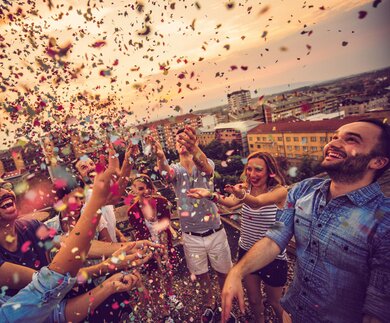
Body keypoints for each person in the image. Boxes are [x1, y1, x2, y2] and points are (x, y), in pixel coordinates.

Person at [221, 119, 390, 323]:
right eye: (335, 137)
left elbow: (378, 309)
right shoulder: (303, 190)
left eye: (351, 140)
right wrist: (237, 271)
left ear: (378, 162)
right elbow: (274, 237)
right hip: (292, 314)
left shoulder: (384, 221)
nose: (333, 143)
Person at [0, 163, 161, 322]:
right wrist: (108, 266)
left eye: (4, 185)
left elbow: (72, 245)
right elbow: (50, 283)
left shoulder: (30, 227)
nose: (4, 192)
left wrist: (127, 247)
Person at [187, 151, 288, 322]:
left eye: (258, 170)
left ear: (269, 171)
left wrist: (241, 194)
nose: (252, 174)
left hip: (272, 257)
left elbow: (257, 203)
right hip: (247, 253)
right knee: (255, 302)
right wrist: (210, 195)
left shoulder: (279, 191)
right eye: (249, 169)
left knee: (276, 303)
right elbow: (230, 202)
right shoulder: (245, 187)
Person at [149, 126, 236, 322]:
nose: (182, 142)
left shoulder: (206, 163)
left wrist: (194, 148)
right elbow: (165, 173)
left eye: (187, 138)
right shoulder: (176, 170)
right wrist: (160, 157)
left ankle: (225, 306)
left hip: (215, 231)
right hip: (191, 236)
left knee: (223, 272)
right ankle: (209, 304)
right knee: (202, 274)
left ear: (195, 141)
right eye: (179, 140)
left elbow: (205, 165)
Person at [127, 174, 183, 321]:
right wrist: (152, 252)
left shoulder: (162, 202)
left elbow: (165, 226)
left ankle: (170, 295)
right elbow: (139, 235)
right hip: (148, 247)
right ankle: (164, 312)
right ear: (134, 191)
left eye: (147, 187)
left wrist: (163, 251)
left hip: (164, 243)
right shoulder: (132, 211)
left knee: (168, 271)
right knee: (155, 279)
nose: (145, 191)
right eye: (140, 189)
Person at [74, 143, 137, 243]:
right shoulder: (89, 195)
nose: (91, 168)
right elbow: (116, 195)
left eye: (91, 164)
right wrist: (126, 162)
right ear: (79, 177)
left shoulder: (98, 191)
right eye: (84, 167)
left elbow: (104, 222)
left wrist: (119, 235)